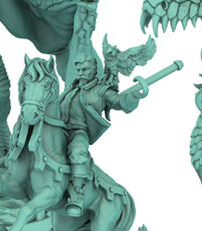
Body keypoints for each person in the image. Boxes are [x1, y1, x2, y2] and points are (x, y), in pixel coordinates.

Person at [58, 55, 144, 216]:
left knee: (78, 152)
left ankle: (77, 194)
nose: (80, 73)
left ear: (93, 70)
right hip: (58, 128)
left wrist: (133, 97)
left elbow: (119, 102)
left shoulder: (101, 90)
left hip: (78, 131)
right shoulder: (72, 88)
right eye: (78, 70)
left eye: (84, 69)